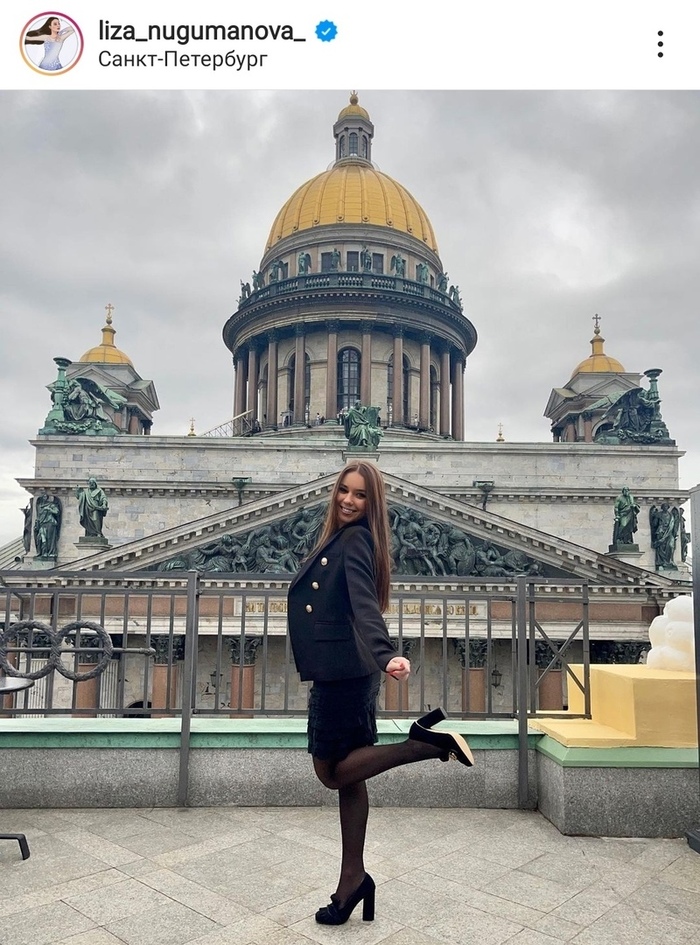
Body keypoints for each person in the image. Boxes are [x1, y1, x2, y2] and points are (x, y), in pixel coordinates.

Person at [287, 462, 473, 926]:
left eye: (360, 495)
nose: (348, 500)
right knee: (351, 778)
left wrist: (386, 653)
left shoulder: (355, 540)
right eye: (343, 491)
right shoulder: (342, 537)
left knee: (331, 773)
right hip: (346, 669)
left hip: (344, 673)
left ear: (373, 502)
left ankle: (425, 744)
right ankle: (353, 881)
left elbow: (364, 603)